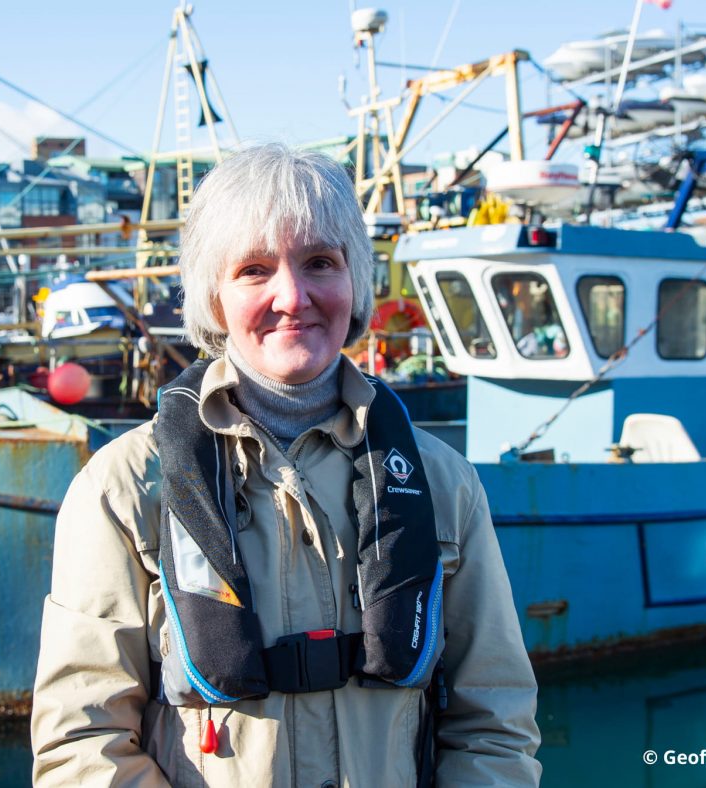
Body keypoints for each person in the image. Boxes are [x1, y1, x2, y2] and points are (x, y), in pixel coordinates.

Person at [30, 143, 541, 787]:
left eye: (320, 262)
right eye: (253, 269)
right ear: (214, 297)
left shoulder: (444, 484)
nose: (292, 295)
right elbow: (81, 743)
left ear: (356, 282)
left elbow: (495, 728)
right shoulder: (124, 489)